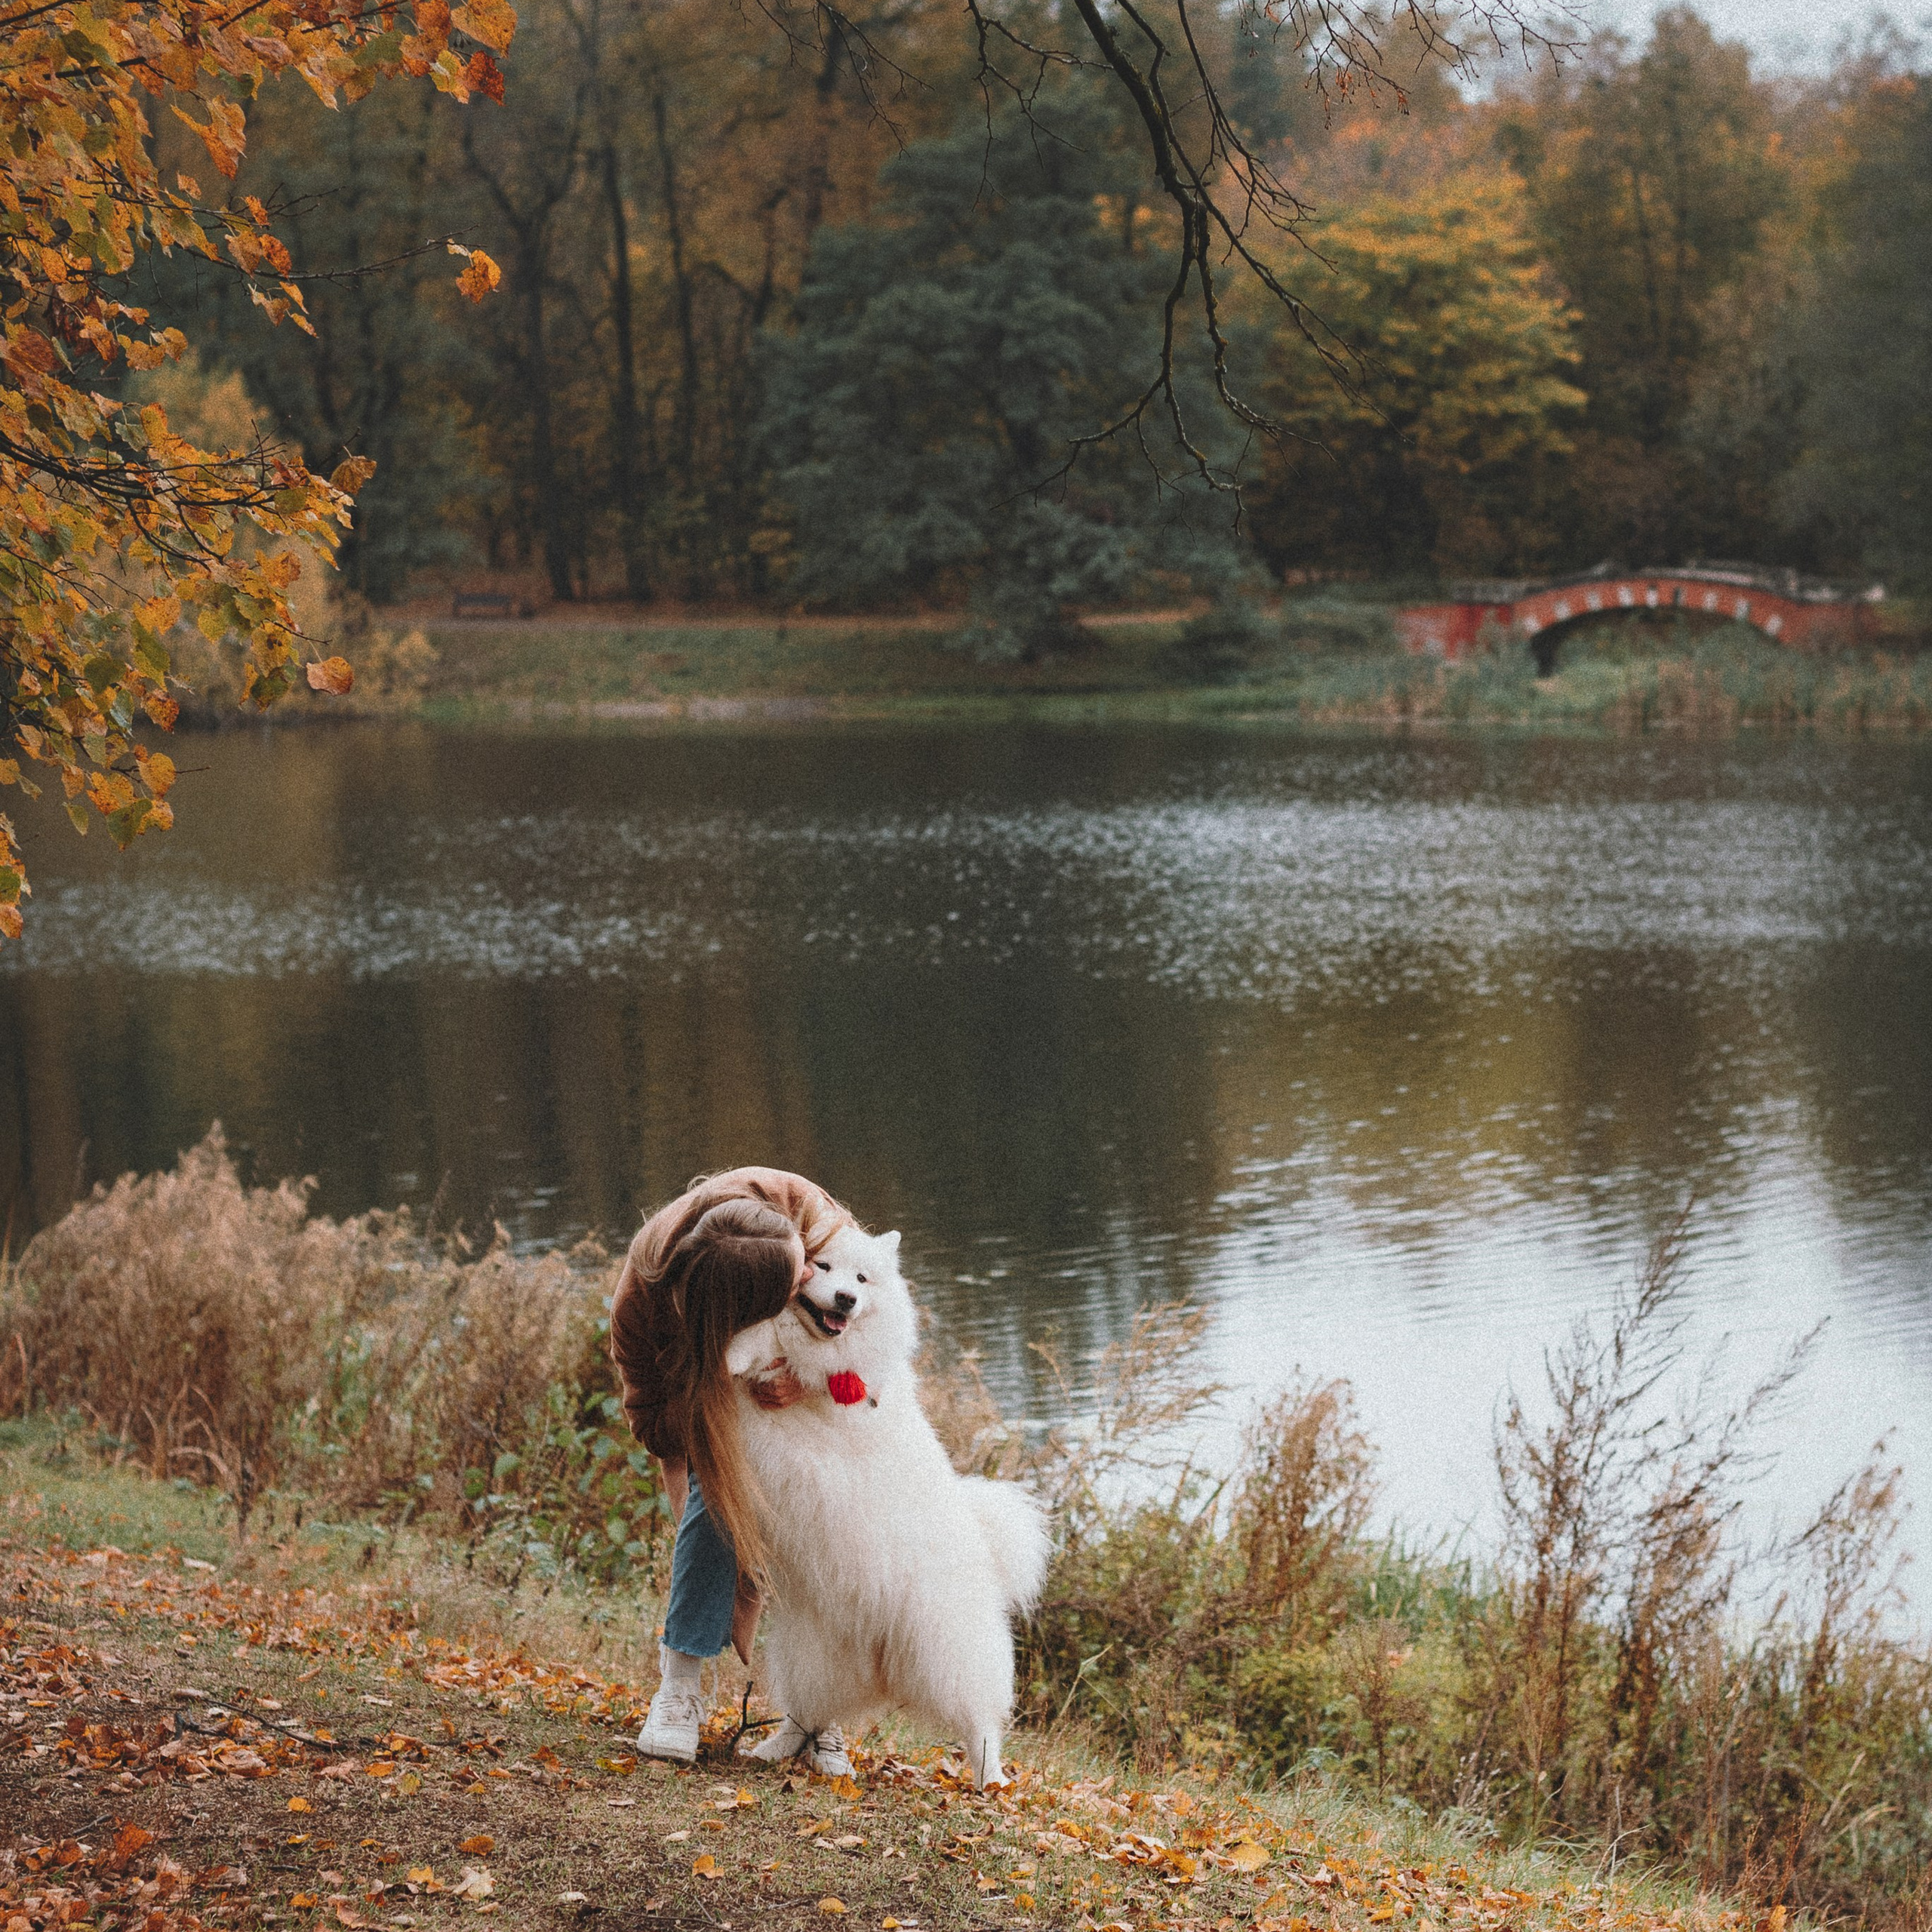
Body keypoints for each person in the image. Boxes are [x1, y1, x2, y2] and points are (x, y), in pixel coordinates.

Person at [610, 1168, 854, 1771]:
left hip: (819, 1407)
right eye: (798, 1274)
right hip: (712, 1400)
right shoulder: (643, 1313)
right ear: (749, 1310)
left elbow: (874, 1302)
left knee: (827, 1538)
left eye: (804, 1260)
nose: (809, 1275)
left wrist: (810, 1378)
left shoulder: (795, 1204)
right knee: (713, 1512)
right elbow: (660, 1430)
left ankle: (819, 1710)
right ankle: (679, 1691)